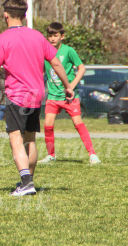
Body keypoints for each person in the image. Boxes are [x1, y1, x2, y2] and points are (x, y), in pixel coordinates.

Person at [0, 0, 73, 197]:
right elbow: (55, 63)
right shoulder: (37, 36)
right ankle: (29, 181)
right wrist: (68, 86)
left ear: (6, 15)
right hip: (37, 96)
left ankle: (26, 182)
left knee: (15, 138)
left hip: (17, 96)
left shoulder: (3, 39)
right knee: (30, 139)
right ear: (24, 15)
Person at [39, 22, 101, 165]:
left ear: (62, 36)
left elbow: (81, 68)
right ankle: (51, 155)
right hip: (53, 96)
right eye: (50, 36)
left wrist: (71, 86)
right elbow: (41, 71)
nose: (52, 38)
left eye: (55, 35)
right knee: (48, 125)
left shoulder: (68, 51)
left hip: (69, 96)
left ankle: (92, 154)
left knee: (78, 123)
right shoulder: (44, 51)